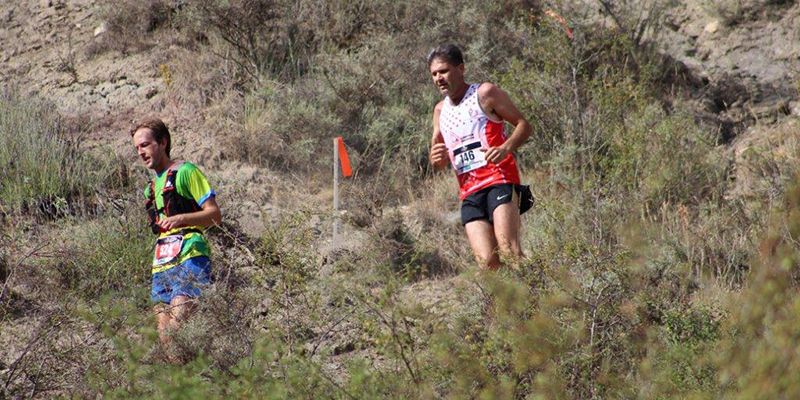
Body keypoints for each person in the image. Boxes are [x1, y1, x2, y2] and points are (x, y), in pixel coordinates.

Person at [428, 44, 533, 269]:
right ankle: (514, 293)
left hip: (499, 179)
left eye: (444, 71)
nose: (439, 78)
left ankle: (542, 289)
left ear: (461, 69)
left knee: (510, 251)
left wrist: (505, 148)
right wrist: (436, 159)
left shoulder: (485, 93)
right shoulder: (439, 111)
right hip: (469, 191)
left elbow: (524, 125)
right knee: (487, 263)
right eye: (434, 74)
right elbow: (438, 158)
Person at [130, 117, 222, 360]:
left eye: (145, 145)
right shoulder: (150, 189)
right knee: (165, 336)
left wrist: (181, 219)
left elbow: (214, 215)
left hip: (190, 255)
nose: (140, 152)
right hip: (162, 263)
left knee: (178, 327)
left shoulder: (186, 172)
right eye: (137, 148)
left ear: (163, 142)